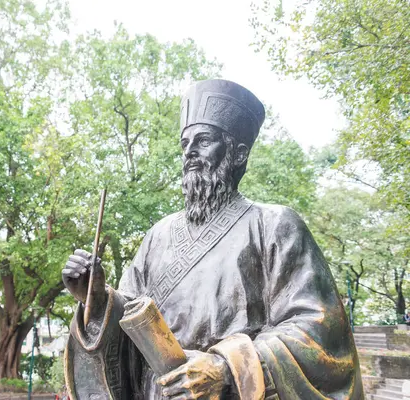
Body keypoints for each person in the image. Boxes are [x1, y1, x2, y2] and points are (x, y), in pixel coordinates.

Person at [62, 79, 364, 399]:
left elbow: (317, 329)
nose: (190, 152)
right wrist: (96, 300)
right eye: (184, 144)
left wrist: (226, 367)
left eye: (203, 140)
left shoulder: (274, 225)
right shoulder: (158, 236)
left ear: (238, 154)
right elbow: (128, 318)